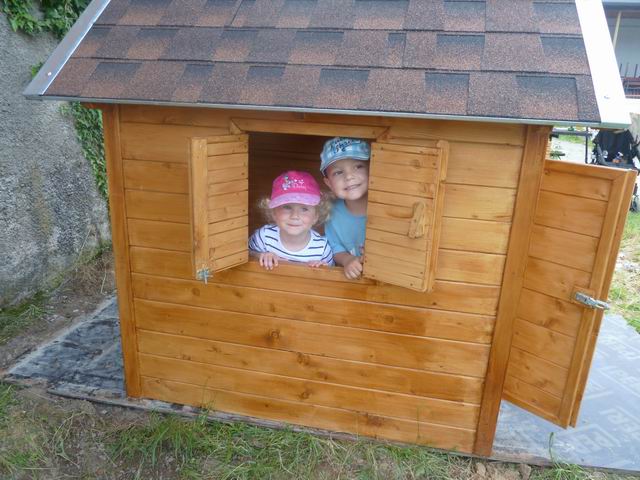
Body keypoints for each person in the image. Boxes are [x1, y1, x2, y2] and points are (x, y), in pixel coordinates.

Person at [249, 170, 333, 270]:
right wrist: (261, 255)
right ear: (274, 212)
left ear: (315, 217)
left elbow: (331, 274)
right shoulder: (264, 236)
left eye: (304, 209)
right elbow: (245, 253)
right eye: (287, 207)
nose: (295, 216)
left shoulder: (322, 248)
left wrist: (320, 267)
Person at [320, 137, 370, 280]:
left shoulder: (386, 208)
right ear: (329, 183)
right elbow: (335, 247)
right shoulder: (332, 212)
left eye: (358, 166)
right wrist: (347, 260)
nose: (349, 176)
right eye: (338, 172)